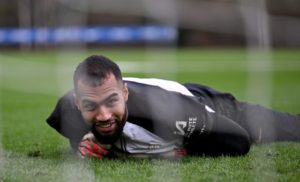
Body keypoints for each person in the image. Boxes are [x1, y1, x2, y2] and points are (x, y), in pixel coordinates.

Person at [46, 55, 300, 159]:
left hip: (210, 106)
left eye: (112, 101)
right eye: (91, 106)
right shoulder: (66, 111)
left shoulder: (166, 112)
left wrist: (178, 149)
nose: (103, 115)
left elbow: (239, 142)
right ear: (78, 103)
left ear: (124, 93)